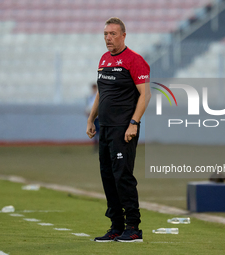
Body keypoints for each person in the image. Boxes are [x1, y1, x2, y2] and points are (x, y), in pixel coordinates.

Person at [86, 17, 151, 242]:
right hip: (104, 128)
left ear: (124, 35)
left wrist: (134, 123)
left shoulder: (134, 60)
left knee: (122, 177)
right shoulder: (104, 60)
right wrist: (91, 119)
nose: (108, 38)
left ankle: (133, 227)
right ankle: (116, 226)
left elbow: (145, 94)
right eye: (105, 34)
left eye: (113, 34)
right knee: (108, 177)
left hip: (123, 129)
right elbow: (100, 93)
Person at [85, 83, 99, 151]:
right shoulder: (90, 97)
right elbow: (88, 106)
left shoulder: (98, 96)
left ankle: (100, 146)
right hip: (93, 118)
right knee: (94, 132)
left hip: (99, 117)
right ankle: (95, 147)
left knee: (100, 132)